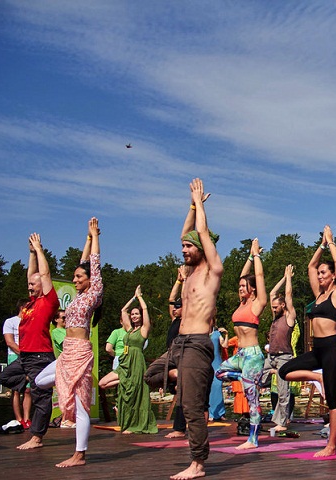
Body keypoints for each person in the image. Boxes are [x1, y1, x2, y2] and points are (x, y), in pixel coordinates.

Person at [35, 217, 103, 467]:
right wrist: (85, 238)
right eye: (73, 277)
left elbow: (93, 265)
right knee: (39, 381)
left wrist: (95, 237)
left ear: (88, 280)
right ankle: (65, 390)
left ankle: (79, 454)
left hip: (81, 353)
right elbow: (83, 263)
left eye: (78, 277)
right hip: (67, 353)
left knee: (81, 404)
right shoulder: (77, 296)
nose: (74, 280)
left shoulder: (94, 293)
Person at [168, 178, 223, 480]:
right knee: (152, 374)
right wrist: (190, 206)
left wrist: (200, 204)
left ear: (202, 248)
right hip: (180, 342)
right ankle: (182, 375)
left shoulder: (212, 272)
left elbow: (200, 232)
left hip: (197, 343)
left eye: (189, 247)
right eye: (183, 246)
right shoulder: (188, 272)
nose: (184, 249)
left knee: (191, 407)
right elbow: (187, 232)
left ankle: (198, 464)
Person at [280, 225, 336, 457]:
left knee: (332, 399)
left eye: (323, 273)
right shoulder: (318, 295)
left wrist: (331, 243)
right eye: (319, 273)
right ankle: (316, 376)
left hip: (332, 350)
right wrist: (320, 245)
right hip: (317, 350)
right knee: (285, 371)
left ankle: (331, 445)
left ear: (331, 276)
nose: (319, 275)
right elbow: (310, 265)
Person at [0, 233, 60, 450]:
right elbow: (31, 275)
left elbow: (43, 273)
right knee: (5, 377)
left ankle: (37, 437)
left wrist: (40, 250)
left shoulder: (49, 302)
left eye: (34, 285)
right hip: (25, 357)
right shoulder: (30, 304)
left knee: (41, 397)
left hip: (40, 356)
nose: (30, 287)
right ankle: (30, 380)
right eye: (29, 286)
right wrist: (31, 253)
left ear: (43, 286)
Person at [215, 237, 267, 449]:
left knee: (251, 399)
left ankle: (252, 440)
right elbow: (241, 276)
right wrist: (248, 254)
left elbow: (259, 276)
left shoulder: (257, 303)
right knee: (219, 372)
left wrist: (256, 256)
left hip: (253, 355)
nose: (240, 288)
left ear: (252, 289)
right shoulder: (242, 303)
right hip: (241, 356)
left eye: (244, 286)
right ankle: (250, 379)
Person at [99, 286, 157, 434]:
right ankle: (125, 380)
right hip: (124, 362)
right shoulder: (129, 329)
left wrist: (140, 298)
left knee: (133, 395)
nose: (134, 316)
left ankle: (133, 425)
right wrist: (133, 297)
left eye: (137, 314)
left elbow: (145, 311)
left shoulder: (144, 329)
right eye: (133, 314)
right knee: (102, 383)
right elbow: (123, 311)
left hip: (136, 361)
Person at [144, 266, 188, 438]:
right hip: (170, 353)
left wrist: (185, 280)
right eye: (175, 308)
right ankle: (173, 376)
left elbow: (187, 300)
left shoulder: (187, 318)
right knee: (149, 375)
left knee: (183, 391)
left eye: (179, 307)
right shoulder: (174, 318)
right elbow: (171, 298)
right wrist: (178, 280)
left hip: (183, 352)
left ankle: (179, 428)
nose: (175, 309)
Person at [261, 264, 297, 432]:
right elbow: (271, 293)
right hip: (271, 357)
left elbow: (288, 295)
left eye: (276, 307)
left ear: (283, 306)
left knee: (283, 392)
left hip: (284, 357)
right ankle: (255, 414)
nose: (273, 309)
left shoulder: (289, 317)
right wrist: (283, 277)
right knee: (256, 379)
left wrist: (289, 278)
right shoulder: (275, 317)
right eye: (273, 306)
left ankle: (282, 422)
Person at [2, 300, 32, 429]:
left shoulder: (31, 322)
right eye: (29, 307)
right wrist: (22, 353)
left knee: (28, 390)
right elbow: (10, 342)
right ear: (22, 307)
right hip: (15, 356)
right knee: (16, 390)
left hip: (30, 357)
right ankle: (18, 419)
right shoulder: (10, 321)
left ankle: (27, 419)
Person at [208, 325, 228, 422]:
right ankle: (210, 412)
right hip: (207, 362)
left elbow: (224, 345)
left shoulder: (217, 333)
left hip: (216, 363)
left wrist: (226, 334)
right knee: (209, 386)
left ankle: (220, 413)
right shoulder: (203, 333)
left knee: (217, 385)